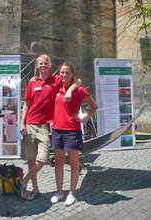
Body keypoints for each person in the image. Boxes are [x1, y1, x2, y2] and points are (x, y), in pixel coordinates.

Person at [19, 54, 82, 200]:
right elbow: (26, 104)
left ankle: (23, 181)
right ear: (37, 66)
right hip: (29, 124)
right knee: (30, 159)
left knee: (41, 160)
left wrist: (71, 90)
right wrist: (22, 122)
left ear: (50, 65)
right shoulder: (32, 83)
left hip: (43, 126)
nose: (43, 65)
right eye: (40, 63)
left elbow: (77, 80)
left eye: (45, 63)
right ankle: (35, 189)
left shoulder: (57, 80)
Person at [50, 62, 97, 206]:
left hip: (73, 131)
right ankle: (59, 192)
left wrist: (85, 118)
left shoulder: (80, 90)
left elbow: (94, 106)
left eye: (67, 73)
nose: (64, 75)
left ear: (72, 74)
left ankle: (72, 193)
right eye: (61, 72)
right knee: (58, 162)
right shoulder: (57, 87)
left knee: (73, 163)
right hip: (57, 130)